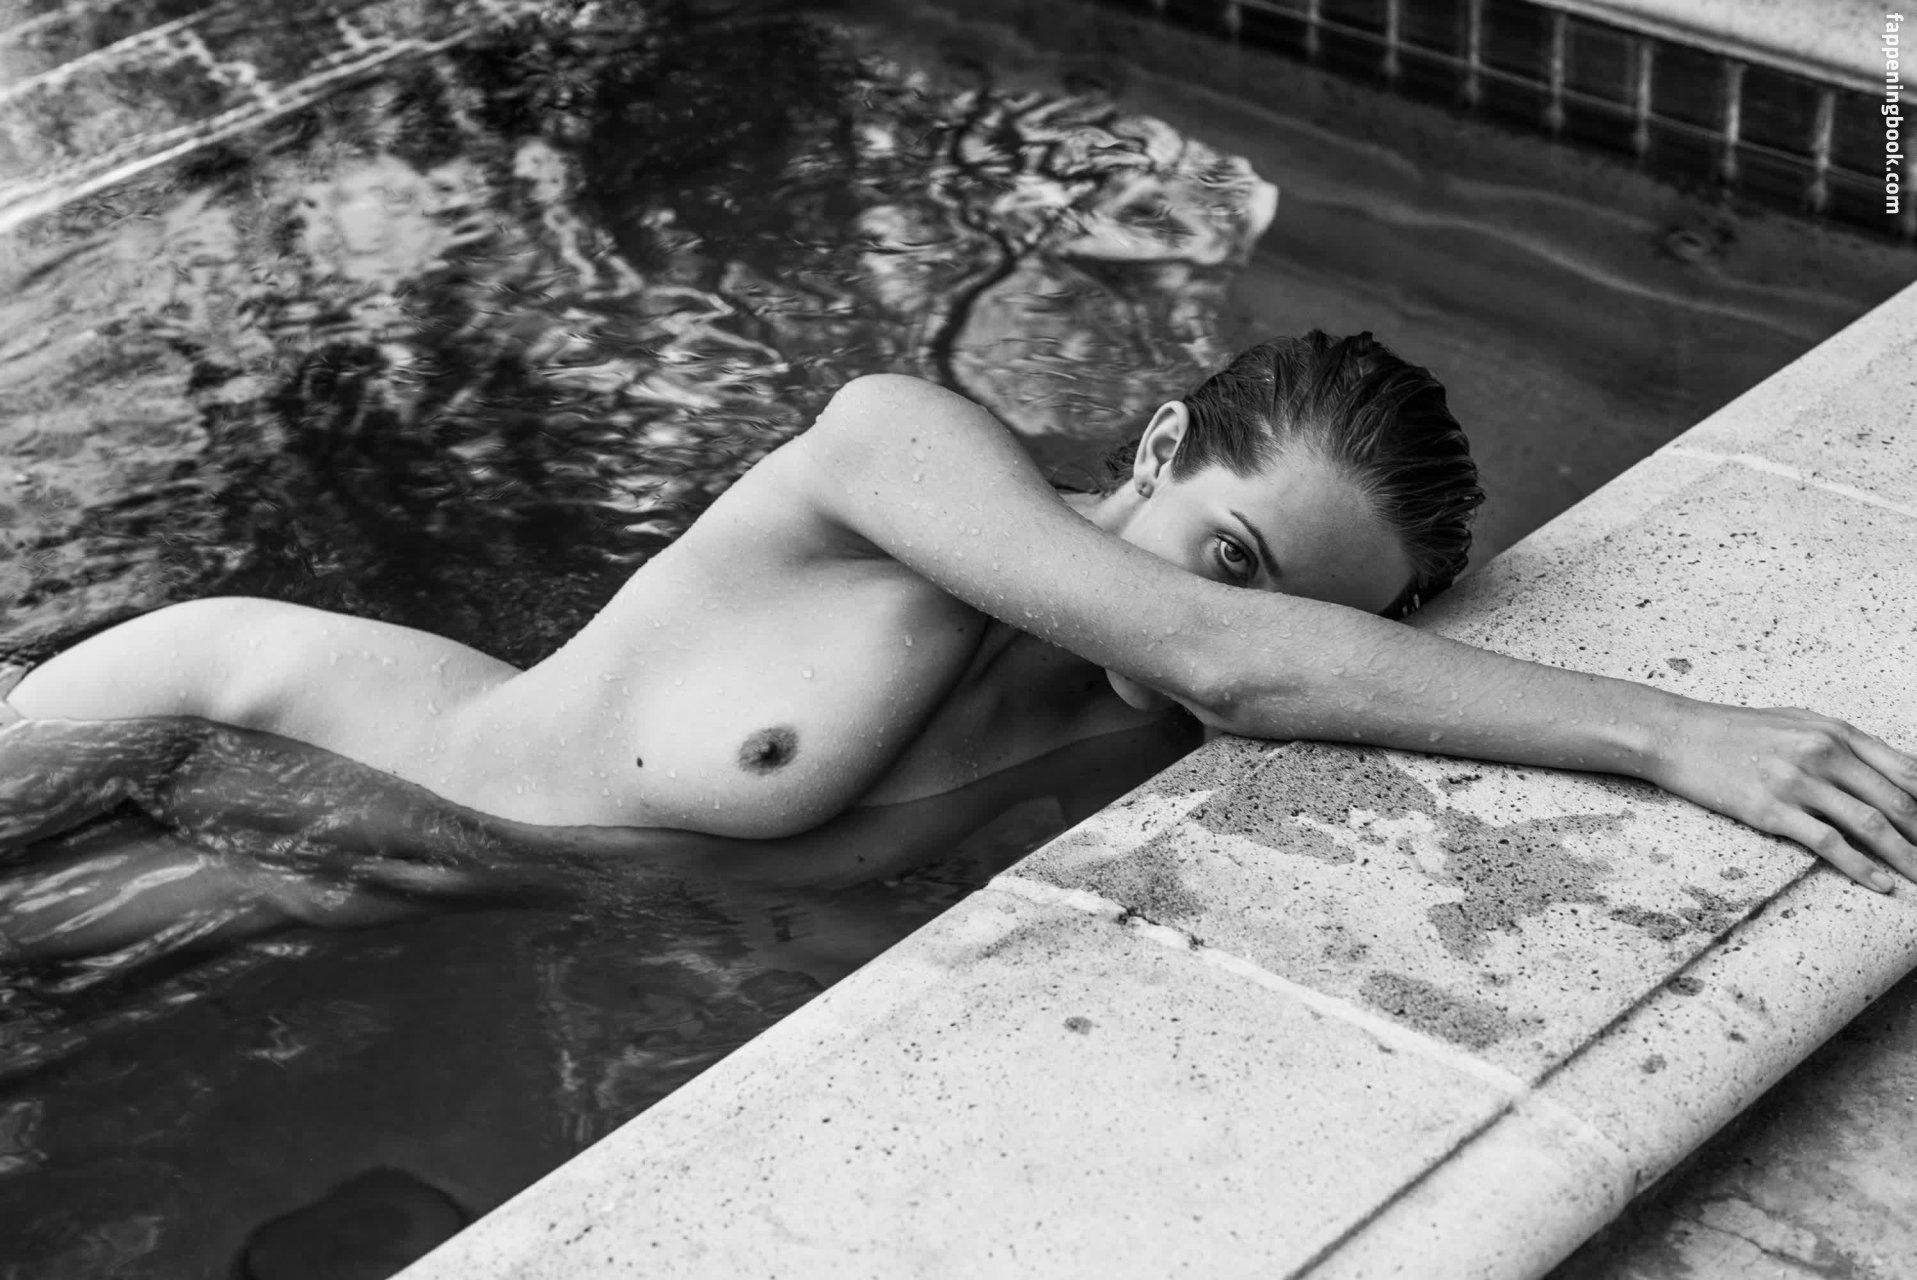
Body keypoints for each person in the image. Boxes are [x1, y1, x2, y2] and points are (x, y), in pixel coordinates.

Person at [3, 331, 1915, 963]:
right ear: (1153, 447)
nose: (1230, 623)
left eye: (1296, 613)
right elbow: (1223, 655)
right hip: (238, 718)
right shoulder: (894, 450)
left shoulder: (1143, 718)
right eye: (1230, 557)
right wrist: (1673, 732)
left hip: (388, 874)